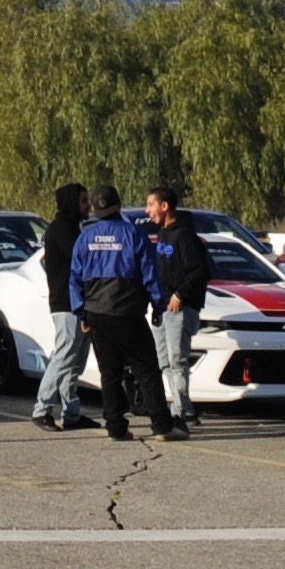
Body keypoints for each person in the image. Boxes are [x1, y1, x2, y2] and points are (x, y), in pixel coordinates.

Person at [70, 184, 164, 443]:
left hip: (97, 312)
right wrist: (158, 306)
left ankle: (115, 427)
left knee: (109, 372)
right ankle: (162, 425)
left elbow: (75, 279)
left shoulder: (85, 238)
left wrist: (82, 314)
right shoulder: (134, 234)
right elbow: (150, 275)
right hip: (128, 312)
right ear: (118, 205)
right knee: (146, 369)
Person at [140, 186, 206, 439]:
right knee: (164, 362)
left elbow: (200, 270)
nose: (148, 211)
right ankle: (185, 410)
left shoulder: (185, 235)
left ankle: (179, 415)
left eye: (151, 205)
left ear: (165, 206)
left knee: (177, 362)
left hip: (179, 308)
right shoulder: (164, 233)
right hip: (162, 307)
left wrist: (180, 294)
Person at [31, 183, 90, 430]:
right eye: (83, 201)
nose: (88, 206)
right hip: (66, 304)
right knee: (65, 356)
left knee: (76, 361)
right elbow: (82, 258)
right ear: (71, 202)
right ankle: (42, 409)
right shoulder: (62, 229)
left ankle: (71, 413)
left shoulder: (73, 228)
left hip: (81, 304)